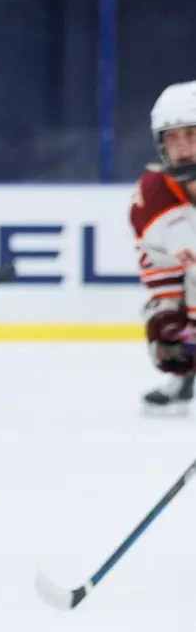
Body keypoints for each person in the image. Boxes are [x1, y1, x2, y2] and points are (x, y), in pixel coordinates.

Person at [133, 80, 196, 416]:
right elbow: (161, 264)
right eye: (172, 137)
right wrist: (170, 317)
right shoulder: (153, 196)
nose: (181, 148)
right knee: (167, 335)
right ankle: (184, 377)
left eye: (191, 135)